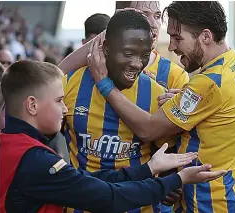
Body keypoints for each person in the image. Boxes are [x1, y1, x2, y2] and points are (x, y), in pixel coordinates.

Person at [87, 2, 235, 213]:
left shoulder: (208, 83)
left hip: (211, 203)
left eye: (178, 38)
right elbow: (219, 108)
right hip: (230, 191)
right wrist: (186, 99)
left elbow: (148, 129)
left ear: (206, 36)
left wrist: (105, 85)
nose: (172, 46)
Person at [0, 60, 225, 213]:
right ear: (32, 105)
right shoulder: (36, 160)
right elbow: (109, 197)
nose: (65, 108)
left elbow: (86, 180)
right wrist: (178, 180)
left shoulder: (10, 144)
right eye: (59, 101)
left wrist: (149, 168)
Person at [62, 9, 181, 213]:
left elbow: (167, 155)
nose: (136, 64)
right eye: (128, 53)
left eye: (144, 55)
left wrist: (169, 182)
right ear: (106, 48)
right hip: (81, 206)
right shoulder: (69, 86)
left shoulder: (157, 95)